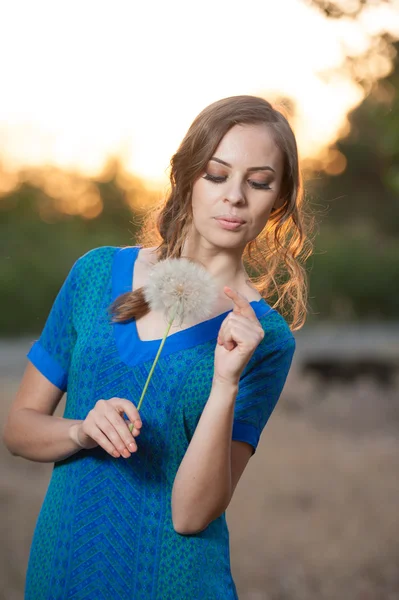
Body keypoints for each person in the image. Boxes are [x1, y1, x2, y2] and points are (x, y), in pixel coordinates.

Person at [3, 95, 311, 599]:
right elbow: (19, 429)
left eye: (257, 182)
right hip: (61, 573)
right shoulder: (96, 274)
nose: (235, 196)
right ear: (186, 176)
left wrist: (225, 382)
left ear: (278, 201)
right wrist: (81, 430)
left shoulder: (264, 338)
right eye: (216, 175)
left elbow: (191, 515)